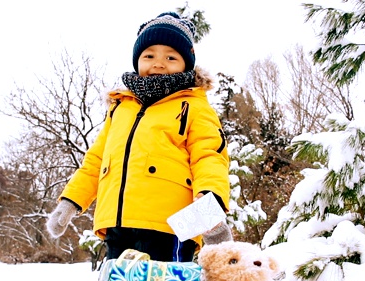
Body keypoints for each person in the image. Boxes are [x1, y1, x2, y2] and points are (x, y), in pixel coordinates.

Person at [47, 11, 233, 262]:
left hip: (170, 227)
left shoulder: (194, 106)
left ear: (186, 64)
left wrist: (209, 210)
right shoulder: (121, 108)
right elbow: (96, 160)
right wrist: (70, 201)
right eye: (149, 55)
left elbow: (209, 157)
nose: (158, 63)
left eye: (170, 56)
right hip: (118, 223)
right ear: (137, 61)